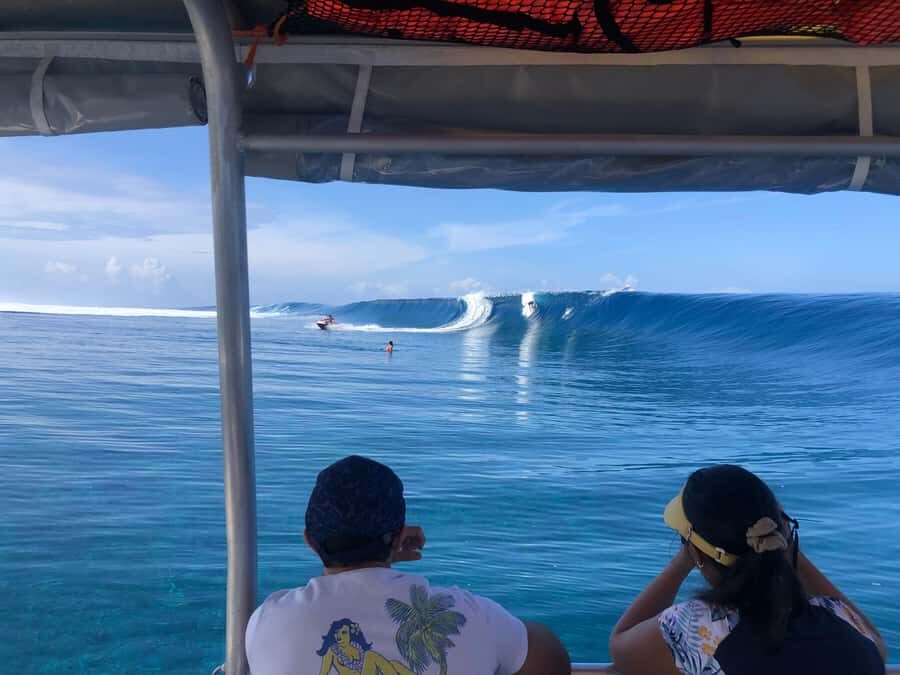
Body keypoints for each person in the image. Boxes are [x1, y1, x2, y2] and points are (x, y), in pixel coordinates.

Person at [246, 455, 570, 675]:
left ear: (310, 541)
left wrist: (377, 557)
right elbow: (553, 660)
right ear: (400, 536)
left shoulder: (270, 621)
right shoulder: (470, 616)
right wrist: (383, 558)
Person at [609, 464, 887, 675]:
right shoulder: (840, 620)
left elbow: (621, 647)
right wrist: (789, 550)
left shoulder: (697, 625)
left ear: (695, 551)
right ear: (782, 535)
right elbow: (878, 649)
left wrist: (681, 563)